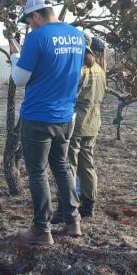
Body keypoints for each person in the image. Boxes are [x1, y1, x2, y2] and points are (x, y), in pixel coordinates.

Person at [9, 0, 85, 246]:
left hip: (38, 116)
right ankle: (73, 221)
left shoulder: (37, 38)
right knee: (61, 166)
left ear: (37, 15)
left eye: (29, 21)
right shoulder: (77, 35)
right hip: (65, 115)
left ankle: (42, 229)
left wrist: (14, 57)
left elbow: (19, 79)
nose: (30, 26)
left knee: (37, 172)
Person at [53, 35, 107, 222]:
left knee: (69, 165)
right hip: (93, 122)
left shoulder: (78, 69)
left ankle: (65, 208)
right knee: (87, 164)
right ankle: (88, 205)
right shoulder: (100, 70)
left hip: (76, 121)